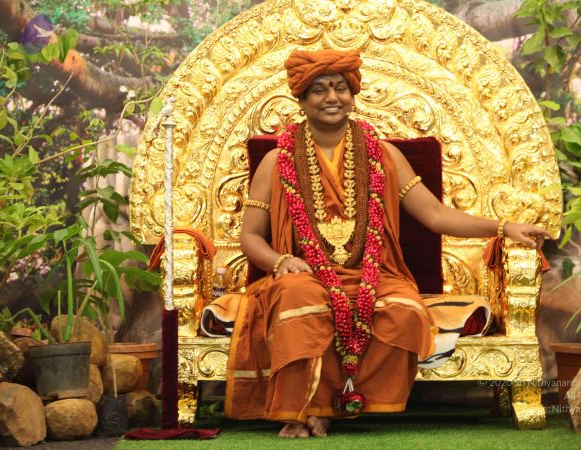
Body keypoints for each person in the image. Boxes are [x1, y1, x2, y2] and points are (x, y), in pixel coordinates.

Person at [224, 49, 552, 438]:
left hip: (374, 275)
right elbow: (250, 236)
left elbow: (435, 214)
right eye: (320, 90)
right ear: (302, 99)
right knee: (300, 301)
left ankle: (335, 408)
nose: (332, 97)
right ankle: (301, 410)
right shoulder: (276, 161)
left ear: (352, 94)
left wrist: (503, 227)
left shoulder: (384, 155)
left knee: (403, 312)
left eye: (340, 87)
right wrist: (280, 263)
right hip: (304, 274)